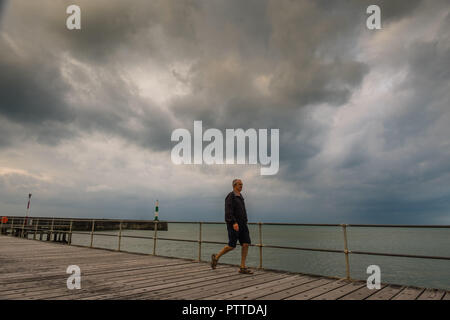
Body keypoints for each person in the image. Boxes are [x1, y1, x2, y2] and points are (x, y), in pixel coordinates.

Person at [211, 179, 253, 274]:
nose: (241, 186)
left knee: (246, 243)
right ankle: (216, 257)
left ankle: (242, 267)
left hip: (243, 225)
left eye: (242, 184)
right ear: (234, 185)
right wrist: (233, 222)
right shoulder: (231, 196)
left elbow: (242, 211)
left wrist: (245, 221)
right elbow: (228, 211)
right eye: (240, 184)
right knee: (231, 246)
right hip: (234, 224)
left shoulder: (240, 196)